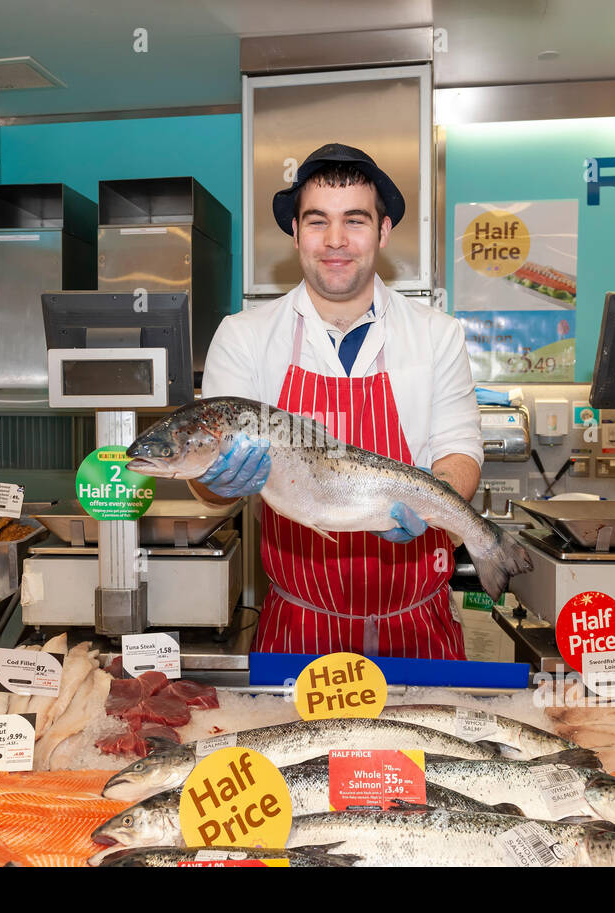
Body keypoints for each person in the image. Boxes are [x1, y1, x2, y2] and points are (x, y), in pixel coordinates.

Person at [196, 144, 483, 659]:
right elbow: (209, 482)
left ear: (383, 231)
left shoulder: (437, 334)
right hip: (299, 632)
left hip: (417, 626)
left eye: (354, 220)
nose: (335, 241)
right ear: (295, 233)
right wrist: (217, 484)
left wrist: (435, 507)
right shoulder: (244, 336)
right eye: (316, 221)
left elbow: (459, 449)